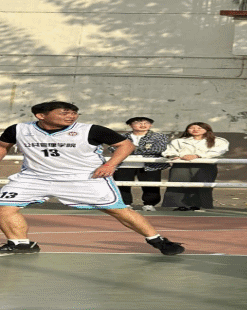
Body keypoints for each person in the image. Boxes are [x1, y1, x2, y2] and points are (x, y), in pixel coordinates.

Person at [0, 101, 184, 255]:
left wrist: (110, 165)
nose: (71, 116)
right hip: (34, 177)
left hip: (83, 178)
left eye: (74, 113)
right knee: (3, 208)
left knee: (117, 210)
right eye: (64, 113)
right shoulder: (19, 129)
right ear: (41, 115)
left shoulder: (91, 130)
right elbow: (3, 146)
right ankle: (20, 244)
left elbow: (126, 145)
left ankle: (157, 240)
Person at [162, 122, 229, 211]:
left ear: (207, 129)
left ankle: (200, 206)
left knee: (202, 186)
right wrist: (174, 156)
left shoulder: (218, 141)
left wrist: (197, 155)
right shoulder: (178, 141)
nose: (195, 130)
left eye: (199, 128)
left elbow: (218, 151)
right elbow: (169, 151)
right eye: (192, 128)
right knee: (178, 185)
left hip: (205, 166)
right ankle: (178, 205)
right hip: (181, 165)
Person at [113, 116, 171, 211]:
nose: (143, 125)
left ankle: (149, 204)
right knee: (122, 185)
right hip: (124, 164)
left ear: (151, 125)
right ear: (130, 125)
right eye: (138, 123)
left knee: (151, 185)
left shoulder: (159, 136)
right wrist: (143, 149)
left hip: (150, 165)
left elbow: (159, 149)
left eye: (146, 123)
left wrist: (128, 149)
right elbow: (112, 148)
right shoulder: (121, 137)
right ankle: (125, 203)